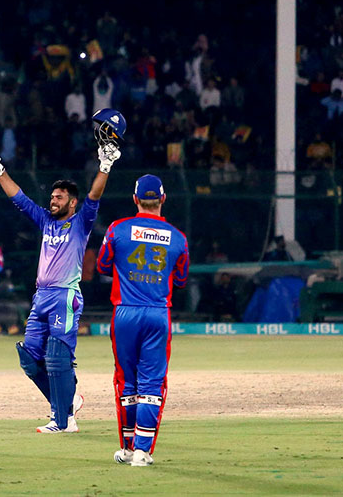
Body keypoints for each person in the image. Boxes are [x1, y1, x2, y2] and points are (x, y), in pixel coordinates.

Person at [0, 108, 125, 433]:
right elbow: (20, 199)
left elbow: (94, 195)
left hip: (65, 296)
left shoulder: (81, 222)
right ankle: (68, 402)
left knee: (57, 357)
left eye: (59, 198)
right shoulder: (45, 220)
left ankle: (63, 421)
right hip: (41, 296)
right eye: (52, 197)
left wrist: (105, 165)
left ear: (72, 203)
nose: (53, 200)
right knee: (29, 358)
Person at [96, 174, 189, 467]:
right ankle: (142, 452)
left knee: (126, 382)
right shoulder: (179, 238)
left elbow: (103, 265)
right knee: (152, 383)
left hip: (124, 313)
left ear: (135, 199)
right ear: (163, 198)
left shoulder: (117, 230)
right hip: (158, 313)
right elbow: (182, 278)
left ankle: (126, 448)